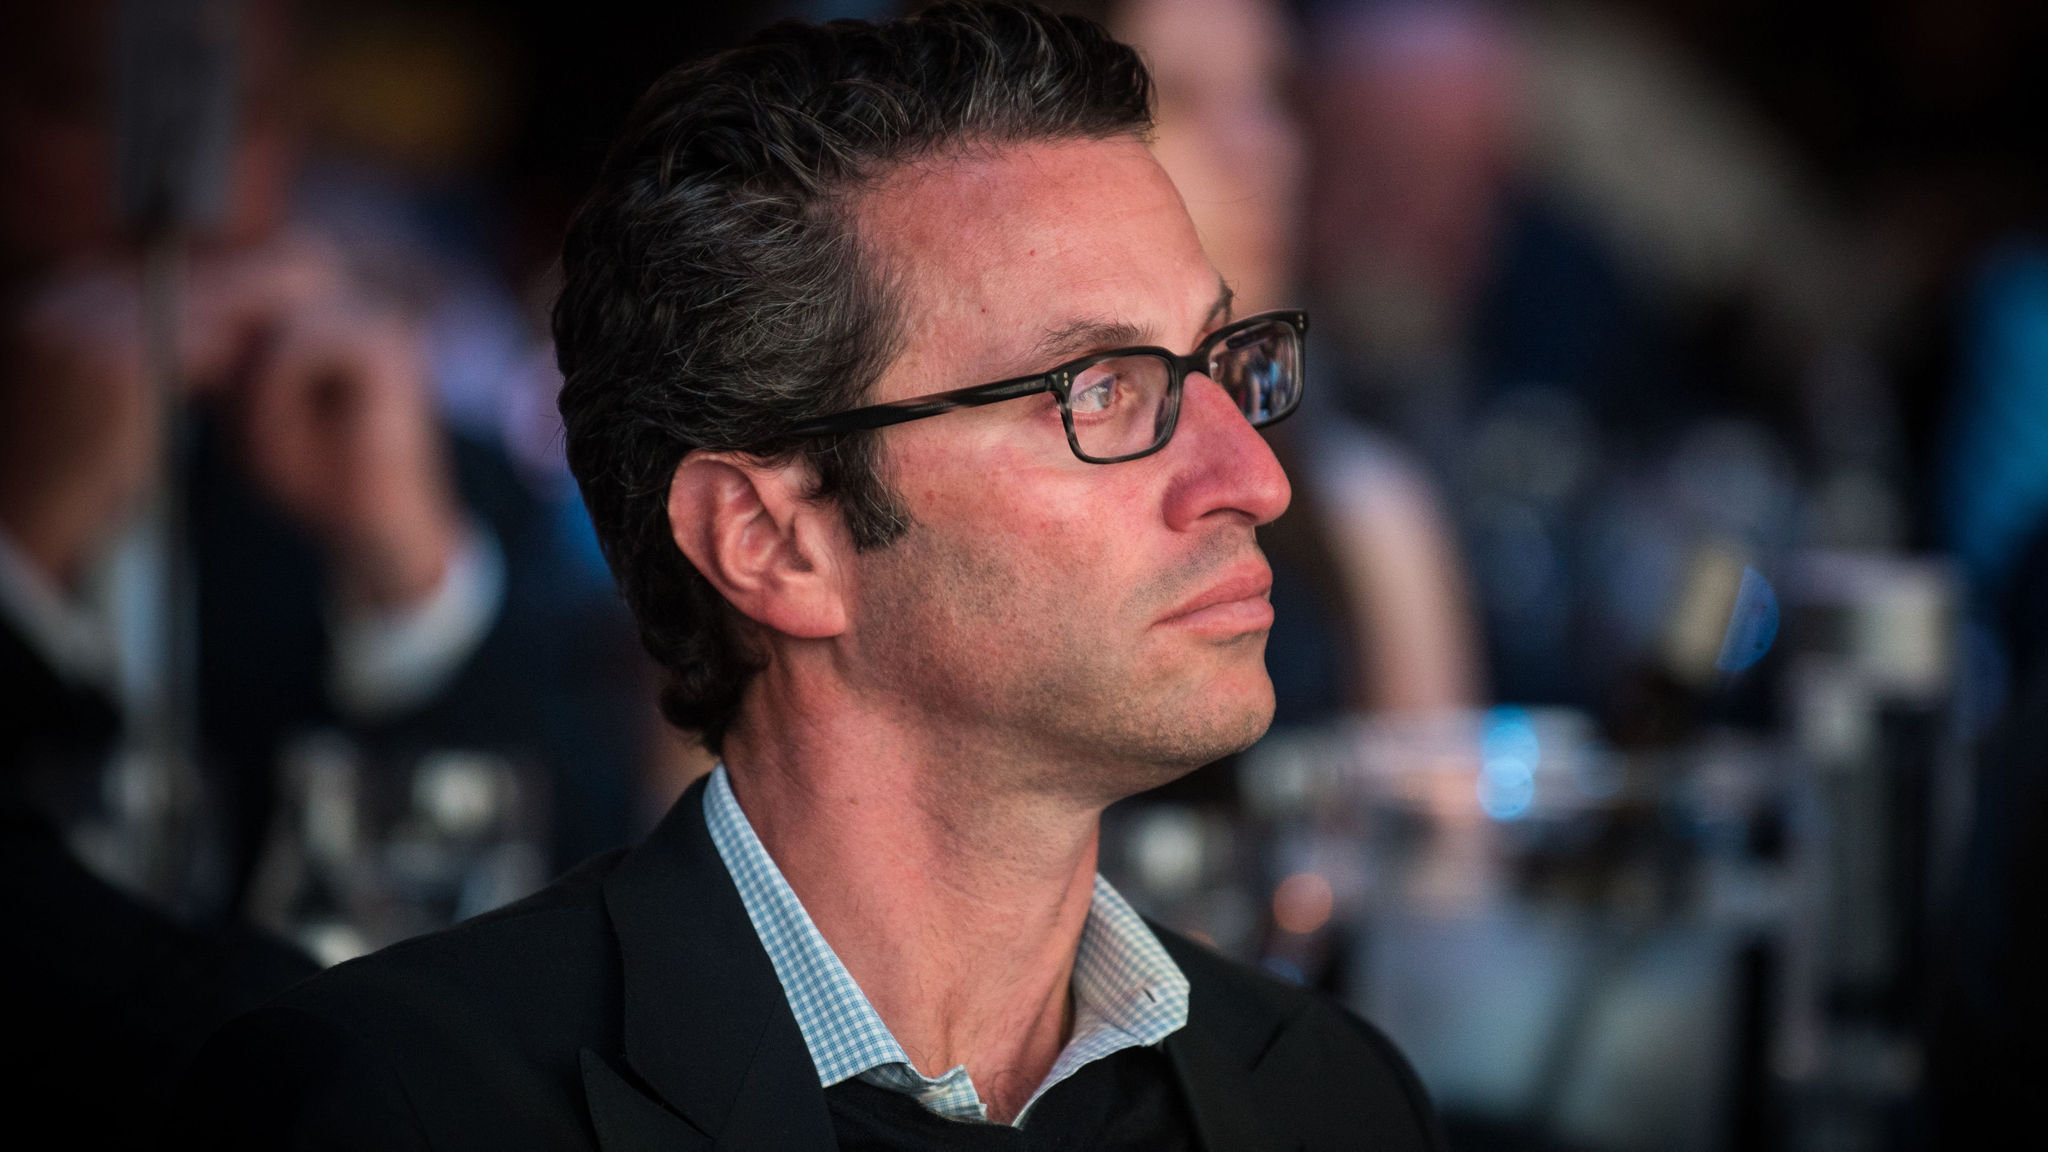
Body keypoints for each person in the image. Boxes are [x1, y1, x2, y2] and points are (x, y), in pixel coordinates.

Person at [171, 4, 1447, 1148]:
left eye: (1223, 363)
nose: (1253, 479)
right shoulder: (411, 1107)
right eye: (1103, 390)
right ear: (771, 541)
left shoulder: (1331, 1099)